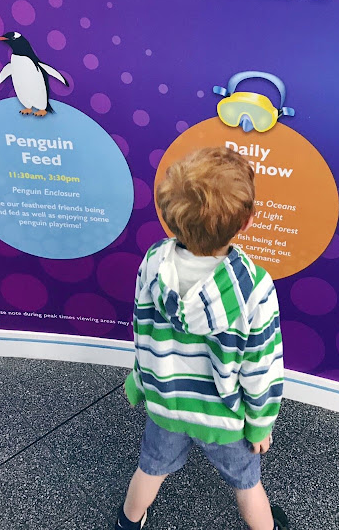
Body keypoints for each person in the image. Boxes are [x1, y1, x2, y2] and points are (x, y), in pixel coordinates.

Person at [116, 146, 288, 530]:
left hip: (166, 403)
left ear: (169, 216)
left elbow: (142, 328)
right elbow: (261, 364)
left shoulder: (153, 262)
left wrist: (140, 380)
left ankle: (128, 523)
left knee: (149, 469)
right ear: (245, 222)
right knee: (247, 484)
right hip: (224, 417)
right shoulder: (254, 287)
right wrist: (260, 424)